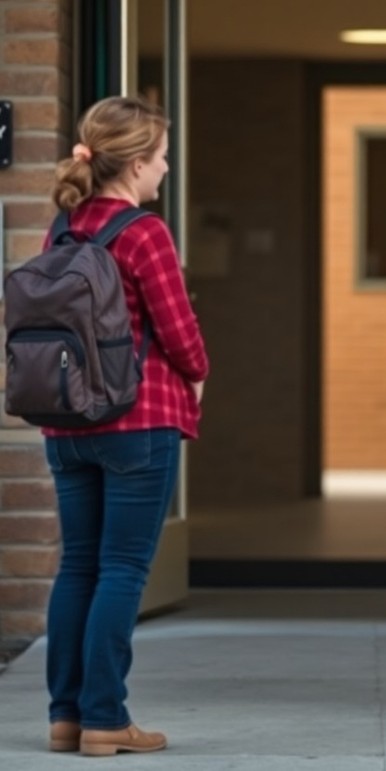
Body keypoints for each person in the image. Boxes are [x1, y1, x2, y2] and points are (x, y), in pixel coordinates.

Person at [43, 96, 209, 756]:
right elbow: (178, 330)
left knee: (77, 565)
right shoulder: (143, 231)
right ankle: (107, 717)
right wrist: (199, 373)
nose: (165, 170)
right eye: (163, 158)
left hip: (67, 421)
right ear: (137, 163)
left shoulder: (62, 228)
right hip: (139, 420)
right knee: (122, 568)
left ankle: (66, 715)